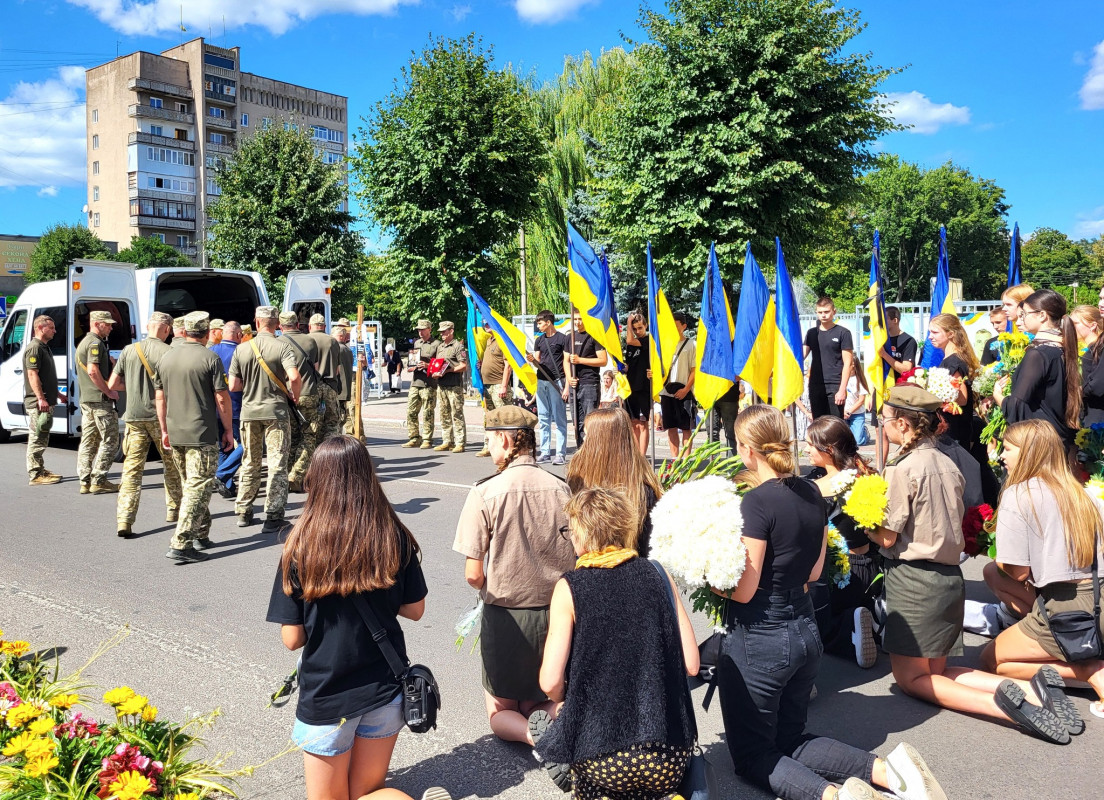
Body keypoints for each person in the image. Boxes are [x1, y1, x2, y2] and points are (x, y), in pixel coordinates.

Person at [716, 404, 947, 800]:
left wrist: (712, 580)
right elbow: (812, 572)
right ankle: (888, 773)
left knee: (754, 753)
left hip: (762, 636)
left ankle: (834, 796)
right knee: (791, 737)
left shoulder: (755, 503)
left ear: (746, 449)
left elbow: (744, 589)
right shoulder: (810, 490)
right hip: (805, 629)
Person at [872, 386, 1069, 744]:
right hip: (950, 578)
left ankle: (1007, 708)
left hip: (915, 579)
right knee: (941, 670)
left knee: (911, 678)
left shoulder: (902, 467)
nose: (882, 427)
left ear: (903, 424)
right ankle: (1033, 691)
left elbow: (887, 537)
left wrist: (860, 521)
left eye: (884, 421)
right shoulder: (950, 462)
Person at [267, 436, 447, 800]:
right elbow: (415, 610)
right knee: (369, 791)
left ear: (316, 479)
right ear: (369, 477)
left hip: (328, 695)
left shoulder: (301, 546)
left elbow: (292, 639)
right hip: (385, 686)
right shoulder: (392, 535)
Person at [535, 487, 699, 800]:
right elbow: (691, 663)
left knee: (585, 763)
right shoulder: (657, 572)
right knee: (653, 783)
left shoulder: (571, 587)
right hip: (667, 755)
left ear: (582, 534)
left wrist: (564, 703)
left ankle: (588, 784)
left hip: (601, 755)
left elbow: (549, 681)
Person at [452, 405, 576, 746]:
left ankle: (535, 739)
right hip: (557, 612)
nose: (489, 449)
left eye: (490, 441)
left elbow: (473, 574)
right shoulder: (561, 488)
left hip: (506, 616)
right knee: (545, 698)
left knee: (500, 709)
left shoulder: (484, 492)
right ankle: (556, 724)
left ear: (506, 441)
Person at [977, 419, 1104, 728]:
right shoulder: (1084, 493)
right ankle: (1072, 647)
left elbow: (1018, 573)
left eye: (1007, 449)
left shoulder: (1019, 495)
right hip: (1099, 597)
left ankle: (1090, 670)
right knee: (991, 572)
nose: (1001, 456)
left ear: (1029, 453)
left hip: (1069, 608)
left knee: (992, 661)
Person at [155, 312, 234, 563]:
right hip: (201, 432)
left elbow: (160, 397)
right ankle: (181, 542)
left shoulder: (166, 358)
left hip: (176, 431)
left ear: (186, 330)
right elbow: (222, 397)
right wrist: (229, 430)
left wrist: (164, 429)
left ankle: (201, 533)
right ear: (207, 330)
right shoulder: (210, 358)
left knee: (192, 484)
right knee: (198, 486)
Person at [805, 416, 881, 668]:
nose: (805, 449)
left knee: (814, 625)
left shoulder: (819, 487)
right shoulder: (866, 476)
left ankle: (848, 628)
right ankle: (873, 619)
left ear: (829, 450)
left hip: (839, 573)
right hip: (871, 567)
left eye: (810, 445)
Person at [108, 311, 182, 537]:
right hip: (162, 418)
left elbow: (112, 384)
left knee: (131, 471)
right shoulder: (170, 352)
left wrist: (133, 388)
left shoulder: (129, 351)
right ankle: (174, 510)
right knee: (172, 466)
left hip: (134, 417)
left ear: (148, 326)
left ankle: (125, 520)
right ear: (167, 330)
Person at [229, 306, 302, 534]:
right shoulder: (282, 346)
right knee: (277, 463)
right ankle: (273, 515)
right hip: (276, 413)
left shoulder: (242, 349)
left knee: (249, 461)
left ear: (256, 322)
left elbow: (233, 386)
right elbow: (294, 377)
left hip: (250, 413)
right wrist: (295, 396)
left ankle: (243, 511)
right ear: (276, 324)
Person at [566, 407, 663, 557]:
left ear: (599, 442)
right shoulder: (644, 489)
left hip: (586, 569)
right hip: (635, 568)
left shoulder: (578, 481)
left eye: (586, 435)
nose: (583, 440)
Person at [993, 289, 1081, 448]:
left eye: (1024, 314)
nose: (1021, 319)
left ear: (1042, 315)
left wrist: (998, 396)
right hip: (1058, 437)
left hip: (1040, 440)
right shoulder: (1061, 348)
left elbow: (1017, 405)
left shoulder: (1038, 354)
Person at [927, 313, 999, 506]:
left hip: (954, 425)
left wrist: (937, 394)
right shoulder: (957, 358)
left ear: (950, 334)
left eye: (935, 332)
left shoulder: (953, 362)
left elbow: (962, 396)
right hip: (958, 424)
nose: (930, 337)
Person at [76, 309, 121, 495]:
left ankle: (85, 481)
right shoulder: (95, 343)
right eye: (108, 324)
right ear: (97, 323)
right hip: (99, 400)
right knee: (110, 440)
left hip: (87, 400)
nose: (110, 327)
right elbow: (93, 371)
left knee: (89, 440)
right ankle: (99, 479)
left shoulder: (84, 343)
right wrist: (108, 391)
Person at [281, 311, 324, 492]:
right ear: (298, 324)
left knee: (290, 436)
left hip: (286, 395)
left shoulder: (277, 343)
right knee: (309, 436)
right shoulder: (310, 341)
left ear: (280, 327)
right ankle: (296, 474)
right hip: (308, 393)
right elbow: (314, 367)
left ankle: (287, 474)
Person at [23, 314, 64, 486]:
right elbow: (33, 375)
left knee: (42, 438)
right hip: (38, 402)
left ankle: (39, 469)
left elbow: (46, 377)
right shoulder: (34, 348)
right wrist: (41, 398)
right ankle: (35, 474)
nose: (55, 331)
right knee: (37, 437)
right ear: (40, 328)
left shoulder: (44, 347)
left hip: (47, 400)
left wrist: (58, 395)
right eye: (51, 328)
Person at [527, 310, 571, 465]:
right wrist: (532, 360)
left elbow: (567, 362)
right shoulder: (539, 340)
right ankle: (545, 452)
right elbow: (538, 360)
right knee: (544, 418)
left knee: (559, 419)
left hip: (556, 381)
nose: (538, 326)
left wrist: (566, 386)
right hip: (542, 381)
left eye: (540, 323)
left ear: (548, 322)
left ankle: (560, 453)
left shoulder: (562, 339)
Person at [804, 297, 854, 420]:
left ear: (834, 311)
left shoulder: (843, 333)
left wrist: (842, 389)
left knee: (835, 423)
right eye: (820, 312)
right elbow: (800, 356)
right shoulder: (811, 333)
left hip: (835, 384)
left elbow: (848, 363)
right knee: (819, 423)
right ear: (816, 313)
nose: (823, 315)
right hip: (815, 384)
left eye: (826, 312)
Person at [210, 321, 244, 498]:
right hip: (237, 406)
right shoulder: (241, 352)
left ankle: (227, 485)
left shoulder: (212, 351)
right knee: (246, 444)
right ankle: (222, 473)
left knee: (225, 445)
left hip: (216, 407)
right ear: (238, 335)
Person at [568, 309, 608, 446]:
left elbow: (603, 360)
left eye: (580, 319)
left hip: (590, 384)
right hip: (574, 385)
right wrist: (569, 378)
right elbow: (565, 360)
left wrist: (580, 360)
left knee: (591, 421)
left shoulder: (594, 336)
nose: (578, 322)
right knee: (576, 421)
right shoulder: (570, 337)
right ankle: (581, 450)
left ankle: (593, 450)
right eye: (575, 319)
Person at [660, 312, 696, 458]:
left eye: (676, 326)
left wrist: (686, 389)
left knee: (686, 427)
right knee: (671, 427)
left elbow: (694, 370)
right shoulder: (665, 344)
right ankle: (675, 459)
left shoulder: (691, 344)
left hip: (684, 391)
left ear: (684, 326)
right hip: (666, 392)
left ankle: (686, 459)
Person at [432, 321, 469, 453]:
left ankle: (459, 442)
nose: (442, 334)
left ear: (451, 331)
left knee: (456, 413)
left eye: (444, 331)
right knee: (444, 414)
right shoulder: (440, 347)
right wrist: (436, 372)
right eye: (441, 332)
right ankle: (447, 440)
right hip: (442, 385)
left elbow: (463, 366)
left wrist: (448, 371)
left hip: (454, 385)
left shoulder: (458, 346)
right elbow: (437, 364)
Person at [477, 323, 513, 458]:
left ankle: (510, 447)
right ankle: (489, 445)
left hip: (498, 385)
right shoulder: (488, 341)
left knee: (503, 418)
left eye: (488, 323)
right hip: (487, 385)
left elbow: (508, 366)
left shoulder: (502, 341)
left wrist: (504, 385)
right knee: (489, 417)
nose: (485, 325)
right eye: (483, 323)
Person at [307, 314, 345, 440]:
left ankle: (314, 455)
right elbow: (337, 369)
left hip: (311, 387)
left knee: (311, 425)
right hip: (330, 386)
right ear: (324, 326)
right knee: (332, 423)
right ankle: (330, 453)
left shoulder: (306, 340)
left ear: (310, 326)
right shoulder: (332, 341)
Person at [402, 320, 439, 449]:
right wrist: (411, 365)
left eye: (423, 329)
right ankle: (414, 437)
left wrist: (428, 365)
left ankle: (427, 438)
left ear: (429, 329)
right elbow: (412, 360)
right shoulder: (417, 343)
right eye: (418, 330)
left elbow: (440, 365)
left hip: (429, 383)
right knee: (411, 411)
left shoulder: (436, 344)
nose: (420, 332)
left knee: (428, 412)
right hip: (416, 382)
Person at [622, 310, 652, 455]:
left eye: (640, 328)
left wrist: (628, 322)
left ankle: (642, 456)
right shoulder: (631, 345)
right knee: (633, 423)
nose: (637, 331)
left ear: (645, 326)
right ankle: (635, 455)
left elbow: (629, 340)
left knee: (642, 423)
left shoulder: (648, 340)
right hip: (631, 388)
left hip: (643, 388)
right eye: (634, 329)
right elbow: (630, 363)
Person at [1072, 305, 1104, 425]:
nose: (1072, 327)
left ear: (1093, 325)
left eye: (1075, 323)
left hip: (1097, 415)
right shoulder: (1091, 349)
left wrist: (1077, 391)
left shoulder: (1097, 349)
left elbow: (1097, 385)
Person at [880, 307, 918, 381]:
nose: (882, 322)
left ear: (895, 320)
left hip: (901, 386)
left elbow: (906, 369)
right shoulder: (882, 340)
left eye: (885, 319)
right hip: (884, 385)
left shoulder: (908, 341)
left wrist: (884, 354)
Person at [843, 372, 870, 447]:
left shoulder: (859, 380)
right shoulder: (840, 378)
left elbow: (861, 401)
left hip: (857, 414)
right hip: (843, 413)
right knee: (843, 441)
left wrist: (849, 412)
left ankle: (865, 433)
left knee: (858, 441)